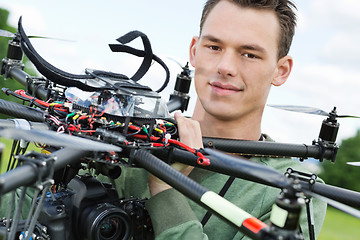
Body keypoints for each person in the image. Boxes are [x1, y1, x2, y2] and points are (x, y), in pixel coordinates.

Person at [108, 0, 327, 239]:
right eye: (214, 47)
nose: (225, 67)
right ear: (194, 50)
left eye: (249, 54)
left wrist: (165, 189)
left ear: (281, 70)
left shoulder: (295, 193)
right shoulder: (127, 140)